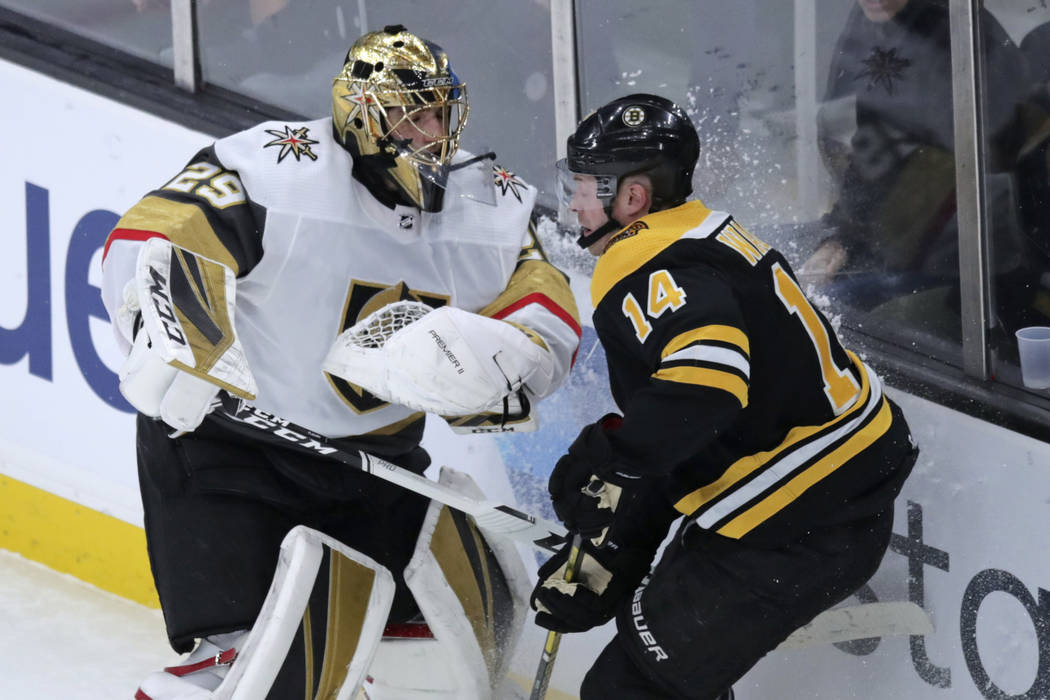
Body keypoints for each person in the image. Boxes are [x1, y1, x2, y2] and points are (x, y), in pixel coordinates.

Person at [100, 25, 581, 699]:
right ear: (360, 114)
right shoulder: (271, 170)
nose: (430, 131)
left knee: (434, 667)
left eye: (439, 113)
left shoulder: (490, 205)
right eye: (409, 115)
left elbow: (548, 308)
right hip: (232, 454)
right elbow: (150, 238)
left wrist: (506, 359)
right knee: (252, 671)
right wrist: (173, 340)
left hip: (381, 469)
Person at [530, 93, 918, 699]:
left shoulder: (642, 261)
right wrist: (622, 551)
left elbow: (706, 388)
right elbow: (693, 427)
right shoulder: (702, 232)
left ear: (631, 198)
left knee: (631, 690)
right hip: (804, 500)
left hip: (795, 524)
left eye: (585, 184)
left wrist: (609, 456)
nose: (574, 201)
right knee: (670, 677)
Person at [800, 0, 1029, 318]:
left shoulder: (961, 34)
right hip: (886, 231)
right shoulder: (871, 17)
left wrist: (849, 238)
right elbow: (866, 143)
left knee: (820, 310)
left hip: (967, 263)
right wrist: (840, 238)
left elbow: (955, 168)